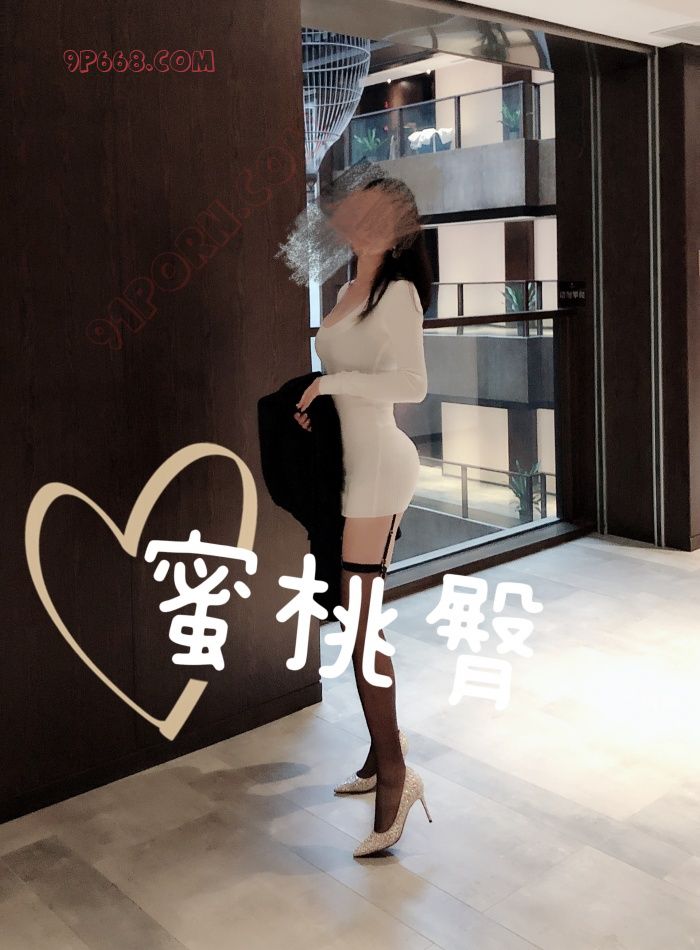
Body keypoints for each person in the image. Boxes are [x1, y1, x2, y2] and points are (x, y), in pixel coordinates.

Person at [294, 176, 433, 857]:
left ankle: (398, 775)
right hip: (350, 463)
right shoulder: (348, 289)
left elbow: (413, 384)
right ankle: (382, 756)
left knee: (359, 625)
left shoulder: (399, 294)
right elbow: (345, 377)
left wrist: (330, 382)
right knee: (357, 621)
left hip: (379, 461)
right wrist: (316, 401)